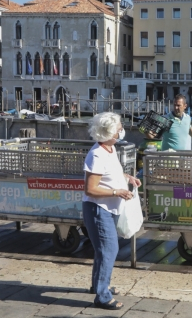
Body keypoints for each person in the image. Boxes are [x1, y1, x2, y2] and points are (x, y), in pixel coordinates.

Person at [83, 112, 141, 310]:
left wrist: (127, 178)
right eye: (118, 129)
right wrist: (117, 191)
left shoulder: (110, 149)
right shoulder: (97, 154)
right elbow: (90, 188)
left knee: (104, 250)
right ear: (108, 133)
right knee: (109, 249)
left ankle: (99, 286)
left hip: (109, 207)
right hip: (99, 209)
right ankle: (102, 296)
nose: (121, 131)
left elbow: (112, 173)